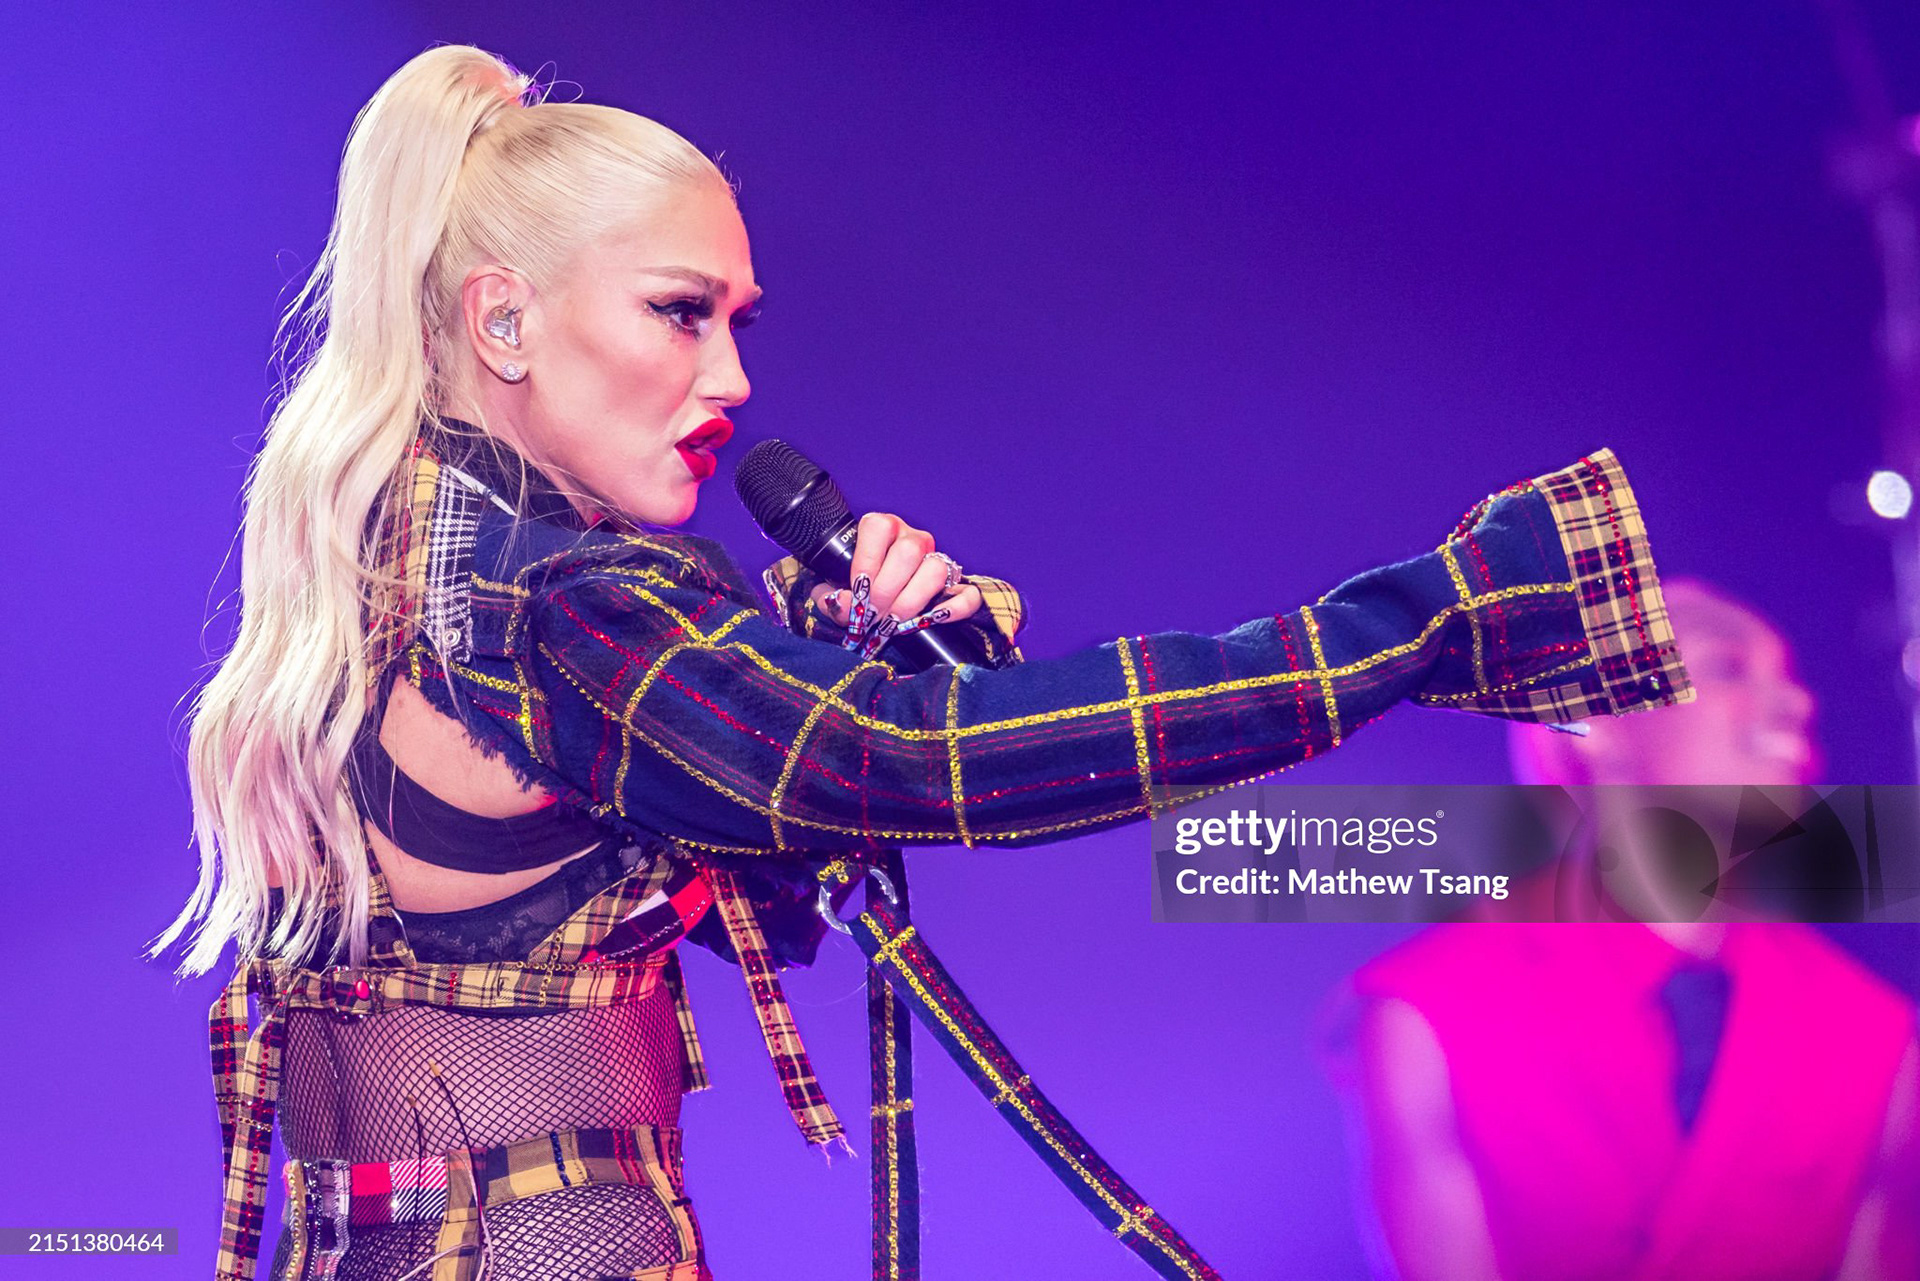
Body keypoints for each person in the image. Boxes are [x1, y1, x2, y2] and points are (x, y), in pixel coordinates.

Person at [156, 45, 1696, 1281]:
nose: (731, 376)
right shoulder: (557, 603)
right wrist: (1422, 622)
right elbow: (912, 769)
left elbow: (768, 872)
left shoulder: (414, 556)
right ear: (503, 322)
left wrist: (836, 654)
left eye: (737, 321)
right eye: (680, 314)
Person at [1338, 580, 1920, 1279]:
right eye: (1728, 666)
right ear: (1596, 722)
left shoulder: (1874, 1030)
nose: (1798, 702)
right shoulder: (1434, 1008)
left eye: (1788, 676)